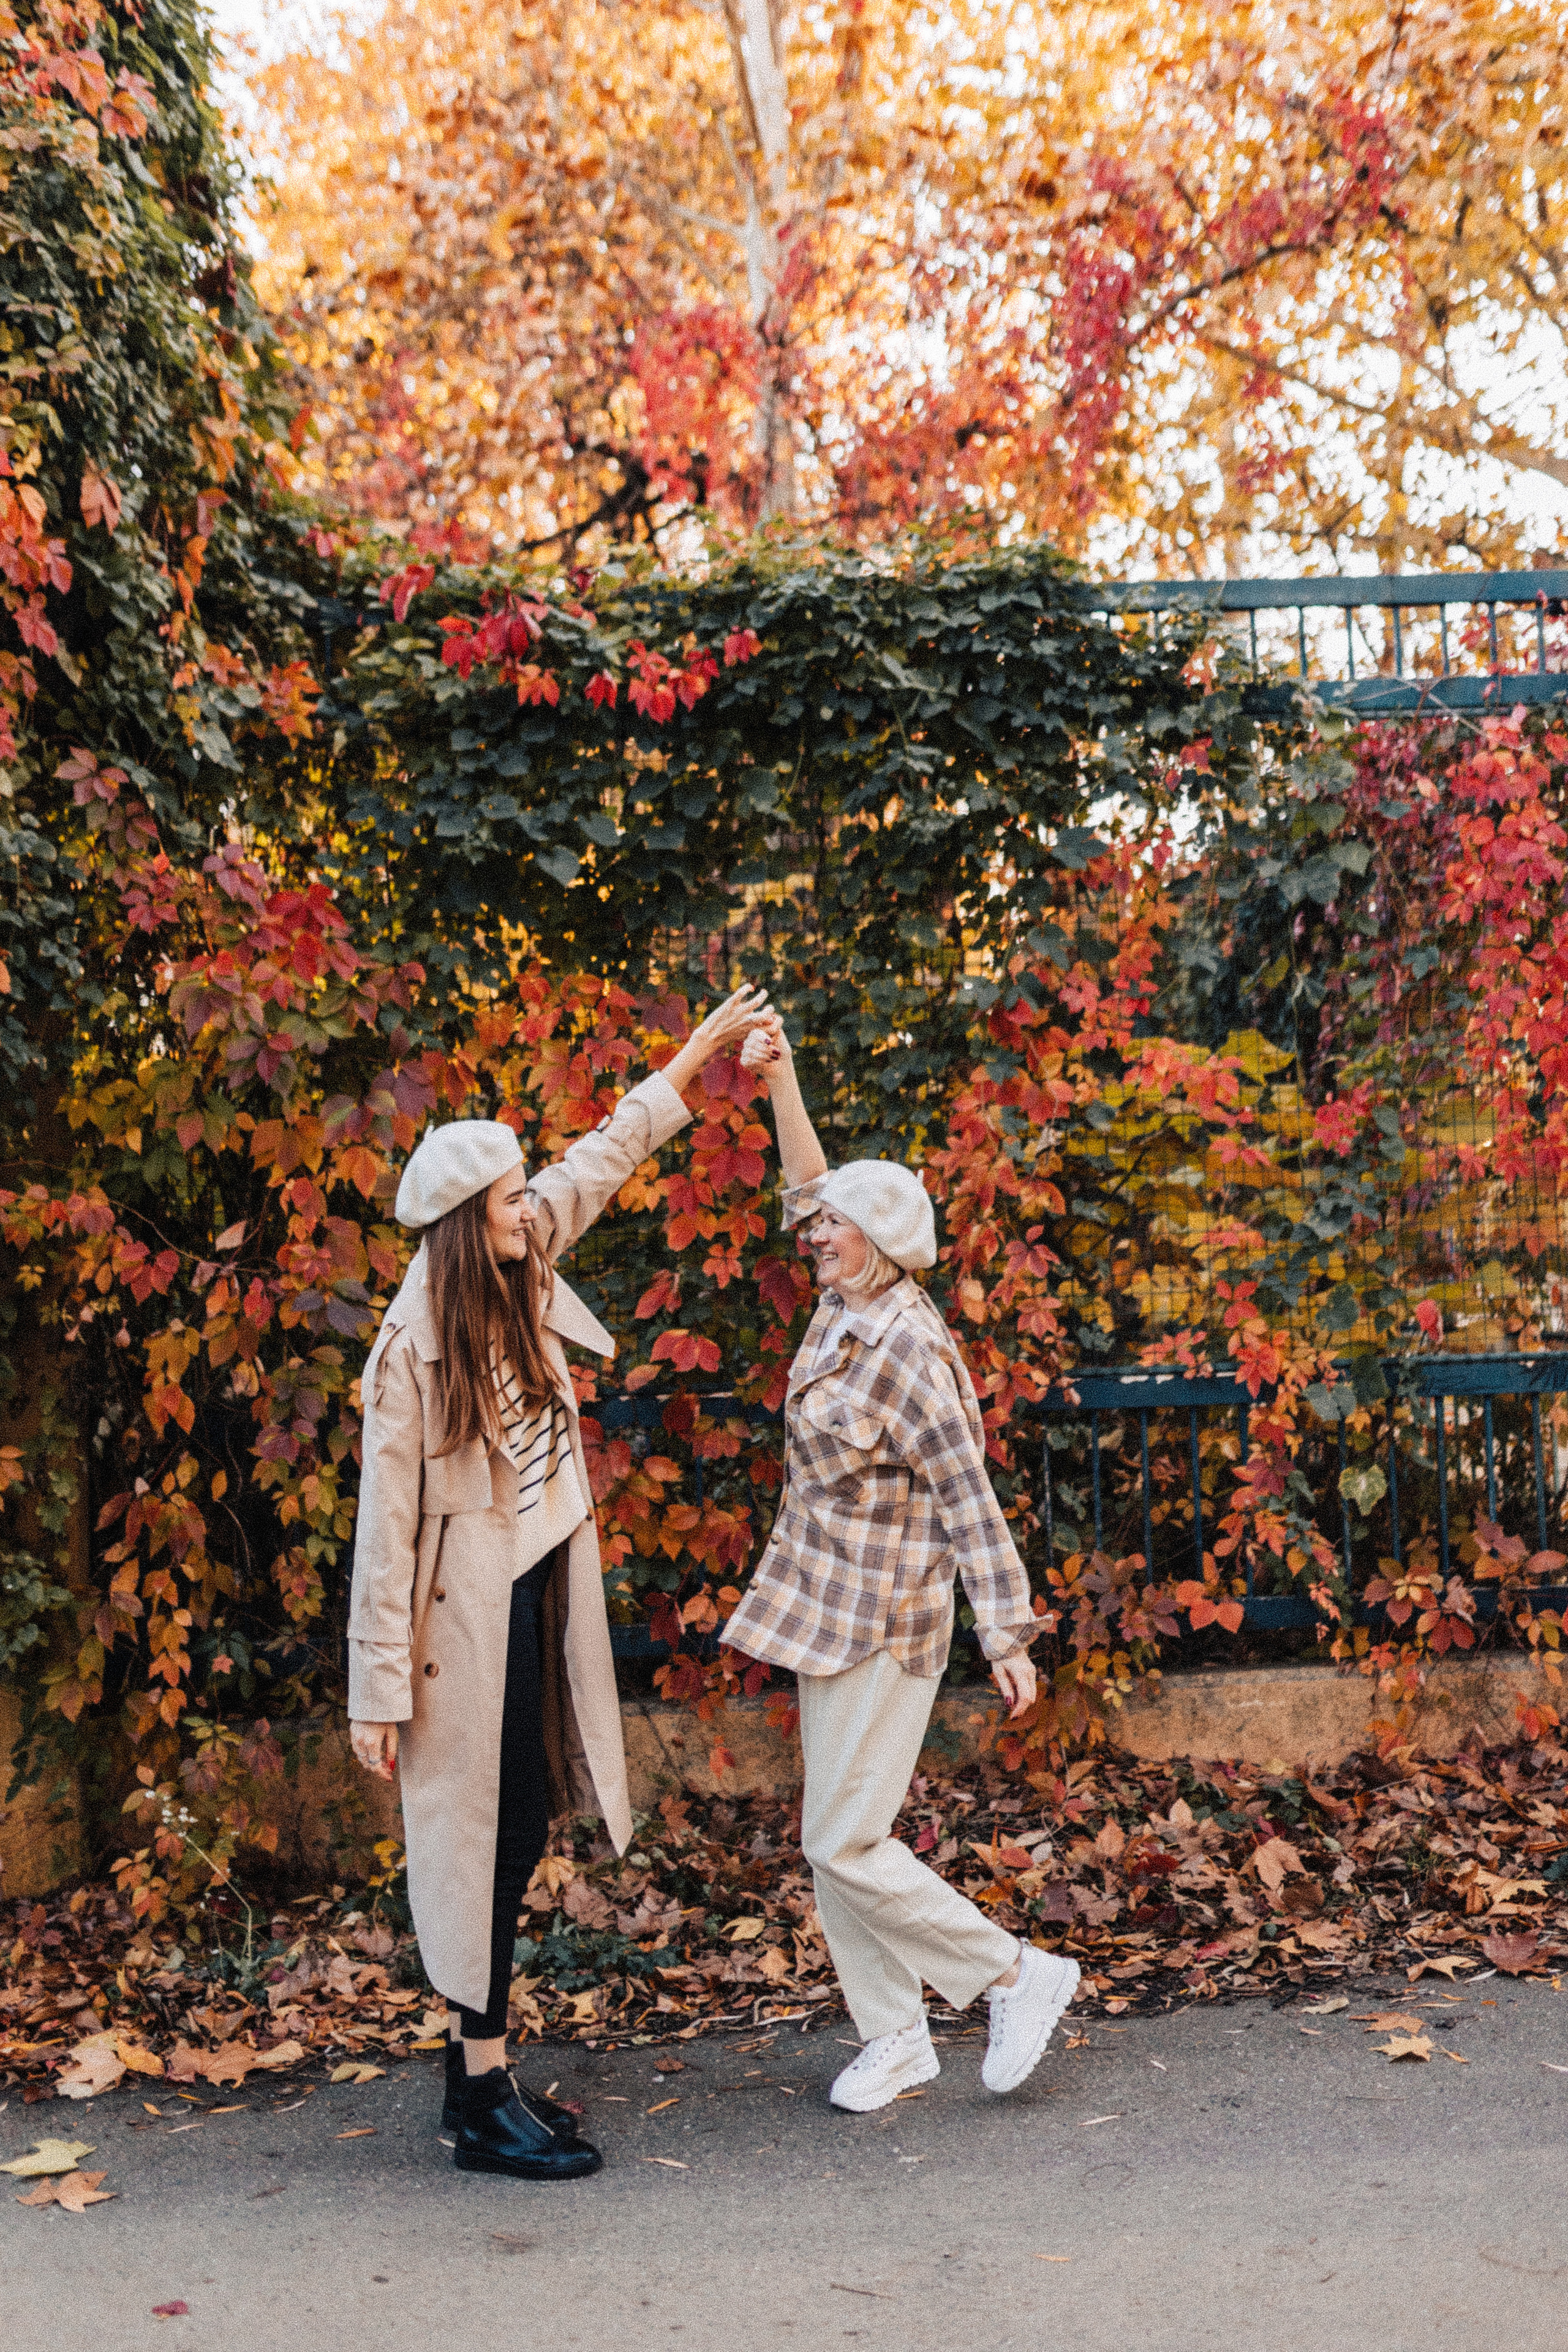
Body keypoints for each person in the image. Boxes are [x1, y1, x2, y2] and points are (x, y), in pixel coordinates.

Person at [348, 984, 771, 2180]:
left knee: (521, 1823)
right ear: (464, 1225)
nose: (530, 1206)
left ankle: (469, 2079)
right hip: (458, 1628)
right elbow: (385, 1534)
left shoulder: (520, 1268)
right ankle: (482, 2096)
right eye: (508, 1199)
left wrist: (694, 1058)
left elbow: (608, 1153)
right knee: (491, 1832)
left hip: (535, 1592)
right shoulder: (410, 1350)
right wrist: (375, 1695)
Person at [723, 1019, 1079, 2111]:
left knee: (845, 1838)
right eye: (820, 1222)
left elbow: (969, 1495)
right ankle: (896, 2037)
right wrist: (783, 1079)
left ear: (875, 1240)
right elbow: (808, 1181)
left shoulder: (910, 1348)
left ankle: (1014, 1974)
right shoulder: (844, 1305)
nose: (813, 1233)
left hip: (889, 1619)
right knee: (832, 1842)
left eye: (834, 1225)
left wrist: (1006, 1631)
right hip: (823, 1604)